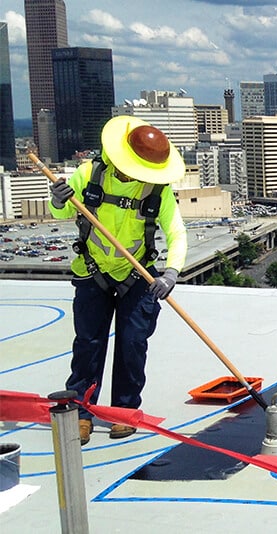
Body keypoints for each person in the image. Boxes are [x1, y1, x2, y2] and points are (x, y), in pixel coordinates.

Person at [49, 116, 187, 444]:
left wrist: (171, 272)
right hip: (92, 270)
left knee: (133, 343)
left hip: (137, 274)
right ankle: (80, 411)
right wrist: (58, 199)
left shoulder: (157, 191)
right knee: (88, 344)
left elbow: (176, 232)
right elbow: (64, 213)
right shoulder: (90, 174)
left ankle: (124, 411)